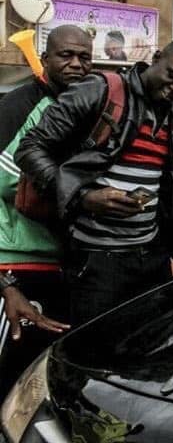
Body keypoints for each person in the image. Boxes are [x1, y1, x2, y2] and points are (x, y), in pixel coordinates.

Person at [15, 38, 173, 326]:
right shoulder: (101, 89)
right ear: (157, 58)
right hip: (98, 267)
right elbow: (29, 148)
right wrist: (83, 197)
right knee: (95, 357)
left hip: (152, 261)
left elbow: (166, 185)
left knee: (147, 349)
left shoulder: (172, 113)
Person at [0, 26, 92, 397]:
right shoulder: (21, 104)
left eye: (84, 57)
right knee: (10, 379)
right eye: (65, 56)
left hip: (60, 264)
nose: (76, 64)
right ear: (47, 57)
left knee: (41, 381)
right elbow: (7, 182)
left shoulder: (84, 106)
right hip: (16, 265)